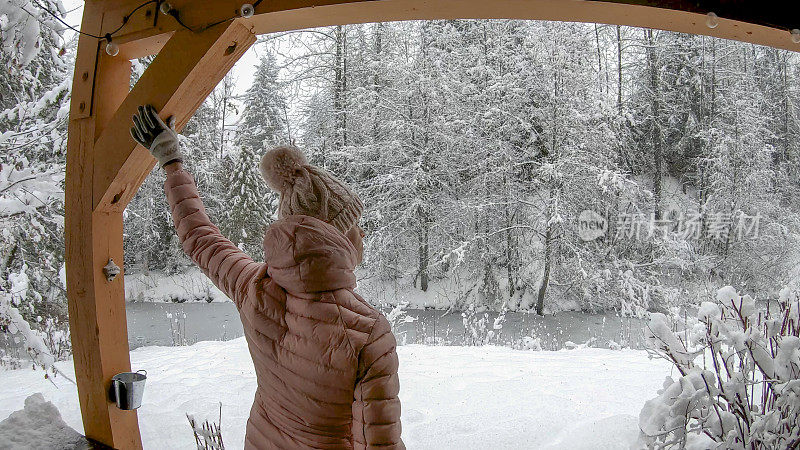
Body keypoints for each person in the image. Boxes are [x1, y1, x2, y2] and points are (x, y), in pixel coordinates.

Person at [130, 105, 404, 450]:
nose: (361, 233)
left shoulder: (252, 286)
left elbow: (200, 237)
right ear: (337, 238)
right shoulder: (368, 333)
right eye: (353, 225)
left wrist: (171, 162)